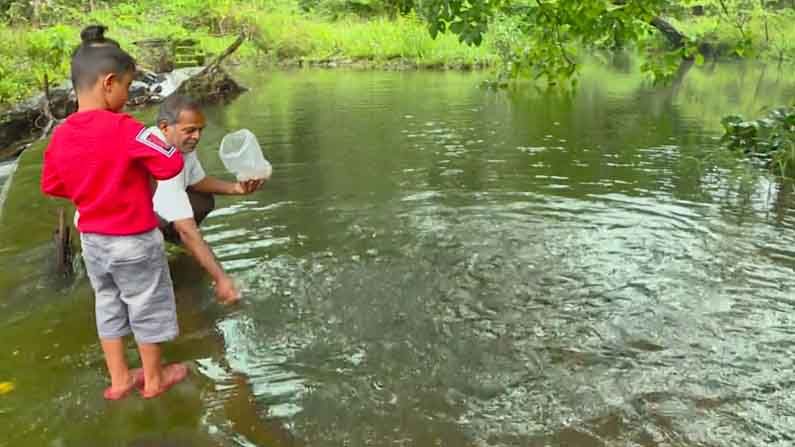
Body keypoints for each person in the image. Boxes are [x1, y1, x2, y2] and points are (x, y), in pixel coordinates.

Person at [40, 25, 189, 400]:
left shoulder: (60, 135)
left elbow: (52, 185)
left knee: (107, 302)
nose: (128, 95)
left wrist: (90, 183)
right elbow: (170, 164)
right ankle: (154, 380)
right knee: (147, 302)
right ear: (108, 83)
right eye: (127, 86)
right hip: (134, 240)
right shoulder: (126, 128)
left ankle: (120, 379)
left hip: (94, 243)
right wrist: (159, 143)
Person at [151, 95, 263, 303]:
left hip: (150, 207)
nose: (197, 136)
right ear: (165, 127)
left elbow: (197, 181)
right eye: (190, 130)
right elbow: (187, 227)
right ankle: (161, 244)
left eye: (200, 130)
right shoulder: (162, 156)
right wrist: (221, 279)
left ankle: (174, 241)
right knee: (187, 231)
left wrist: (237, 189)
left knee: (203, 200)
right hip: (117, 227)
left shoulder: (180, 144)